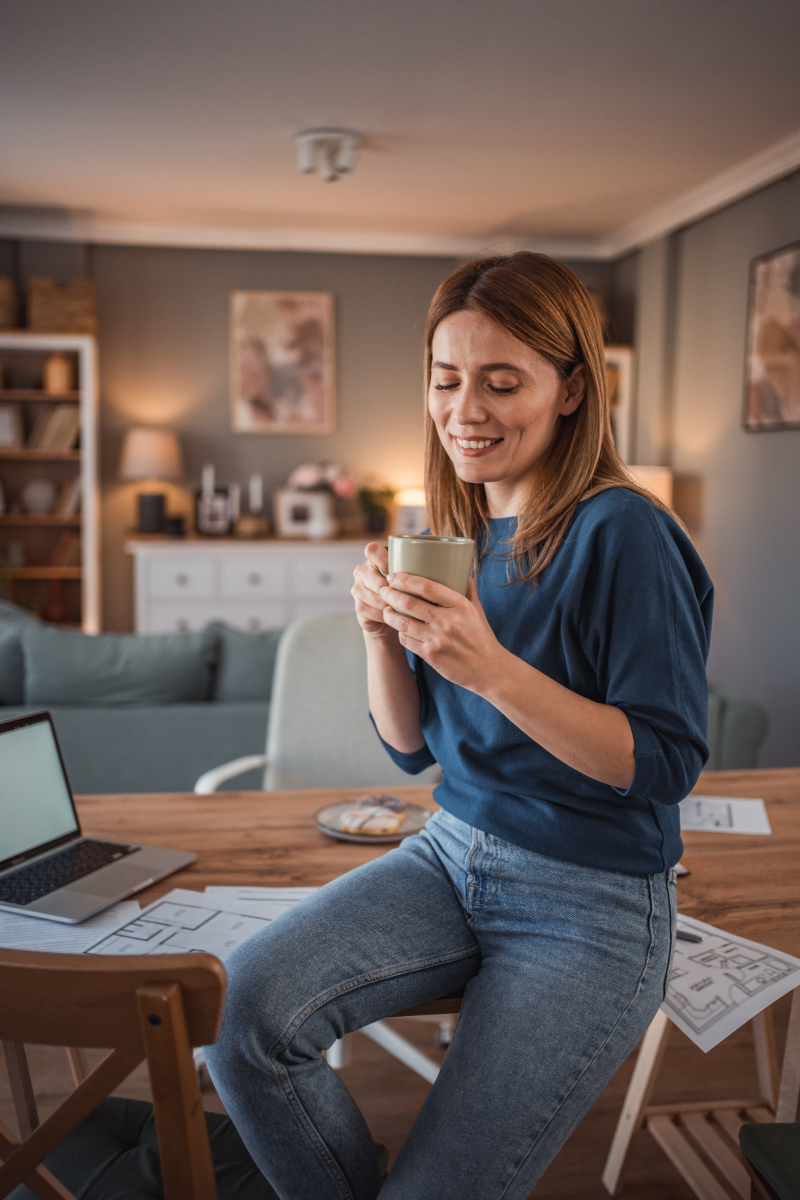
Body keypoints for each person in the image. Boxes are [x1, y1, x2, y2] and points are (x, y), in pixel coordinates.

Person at [205, 253, 713, 1200]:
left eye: (502, 381)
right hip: (449, 853)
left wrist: (490, 665)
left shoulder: (626, 533)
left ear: (572, 390)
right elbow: (412, 748)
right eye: (446, 380)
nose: (464, 409)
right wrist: (378, 635)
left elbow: (665, 763)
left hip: (592, 904)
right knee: (242, 1017)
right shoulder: (458, 531)